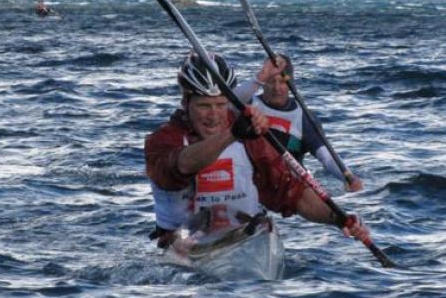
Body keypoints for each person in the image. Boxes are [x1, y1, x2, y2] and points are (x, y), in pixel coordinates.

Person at [145, 52, 369, 251]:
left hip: (245, 237)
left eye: (221, 105)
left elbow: (292, 193)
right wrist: (232, 134)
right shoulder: (164, 140)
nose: (213, 115)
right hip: (185, 244)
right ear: (186, 102)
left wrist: (340, 218)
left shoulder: (250, 138)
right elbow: (181, 165)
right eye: (204, 106)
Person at [235, 54, 364, 192]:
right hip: (249, 181)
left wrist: (349, 177)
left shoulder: (304, 118)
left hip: (288, 186)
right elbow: (227, 102)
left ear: (291, 84)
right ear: (264, 82)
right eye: (271, 81)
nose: (277, 88)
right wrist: (261, 76)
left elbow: (326, 157)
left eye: (283, 82)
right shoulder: (248, 103)